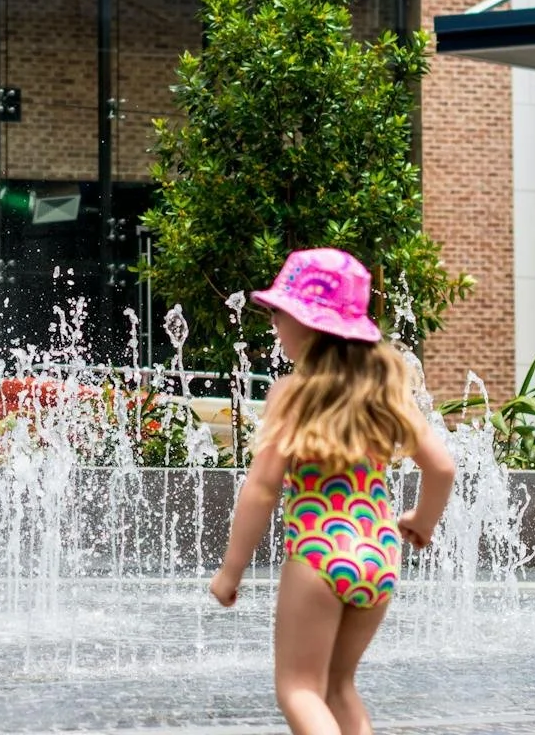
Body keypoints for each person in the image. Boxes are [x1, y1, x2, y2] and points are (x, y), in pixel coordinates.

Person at [209, 248, 456, 735]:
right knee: (338, 687)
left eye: (280, 314)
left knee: (298, 690)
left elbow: (262, 489)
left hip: (318, 555)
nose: (274, 324)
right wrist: (421, 523)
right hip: (381, 556)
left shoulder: (291, 394)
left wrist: (230, 571)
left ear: (309, 324)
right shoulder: (388, 395)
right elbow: (443, 468)